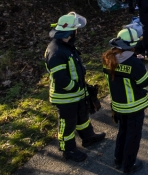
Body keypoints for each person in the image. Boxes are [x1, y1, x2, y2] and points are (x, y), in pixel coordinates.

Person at [45, 12, 106, 162]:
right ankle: (69, 150)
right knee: (67, 124)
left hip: (76, 93)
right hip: (66, 97)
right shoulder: (56, 51)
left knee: (82, 117)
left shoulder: (66, 45)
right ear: (71, 32)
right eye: (76, 30)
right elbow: (61, 79)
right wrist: (75, 88)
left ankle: (88, 137)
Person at [102, 28, 148, 175]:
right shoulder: (135, 64)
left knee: (122, 131)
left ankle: (118, 159)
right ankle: (129, 165)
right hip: (134, 107)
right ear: (131, 45)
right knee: (133, 135)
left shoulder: (108, 59)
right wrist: (140, 63)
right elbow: (144, 82)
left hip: (118, 106)